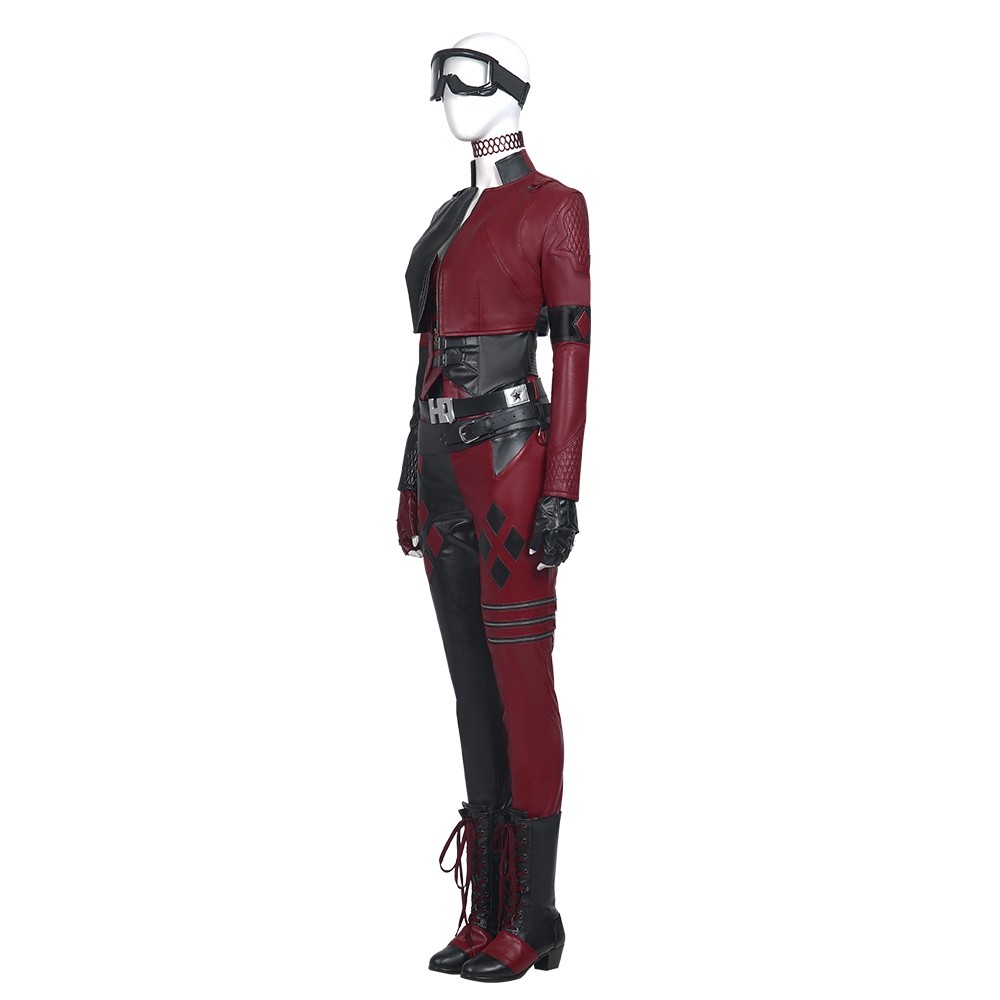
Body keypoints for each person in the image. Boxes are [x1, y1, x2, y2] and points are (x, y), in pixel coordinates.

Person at [395, 33, 591, 983]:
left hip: (513, 466)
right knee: (471, 691)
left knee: (522, 686)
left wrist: (563, 488)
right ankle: (487, 907)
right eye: (439, 83)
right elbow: (425, 354)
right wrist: (409, 472)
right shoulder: (447, 214)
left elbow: (575, 355)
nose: (450, 98)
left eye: (468, 80)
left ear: (513, 92)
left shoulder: (555, 207)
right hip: (443, 471)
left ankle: (535, 913)